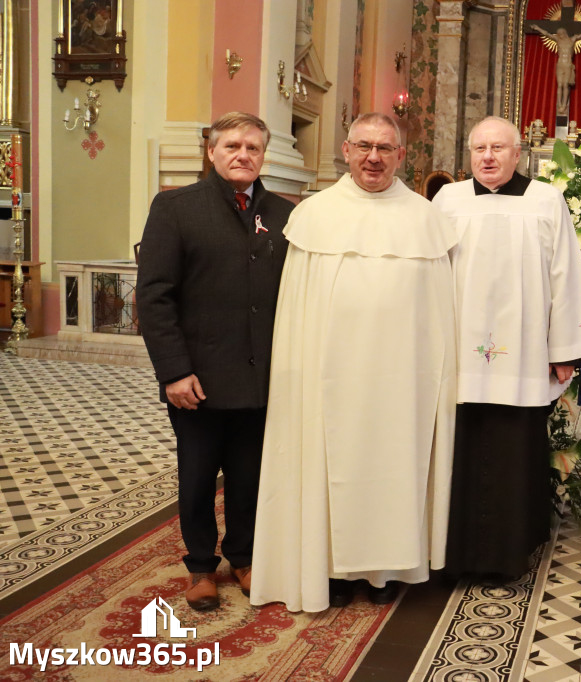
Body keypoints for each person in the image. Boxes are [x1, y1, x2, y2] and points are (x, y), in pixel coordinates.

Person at [249, 113, 457, 612]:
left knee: (395, 464)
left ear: (401, 156)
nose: (374, 157)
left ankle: (385, 569)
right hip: (329, 378)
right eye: (364, 146)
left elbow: (440, 315)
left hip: (402, 382)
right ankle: (330, 570)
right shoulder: (316, 215)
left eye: (385, 148)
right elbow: (296, 312)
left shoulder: (426, 219)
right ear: (346, 149)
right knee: (325, 461)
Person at [432, 116, 581, 580]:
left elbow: (566, 275)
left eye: (497, 148)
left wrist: (565, 347)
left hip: (524, 354)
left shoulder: (545, 201)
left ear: (518, 151)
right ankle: (452, 553)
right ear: (469, 154)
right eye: (479, 149)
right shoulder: (447, 201)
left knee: (513, 450)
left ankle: (509, 553)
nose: (487, 157)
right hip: (456, 356)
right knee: (458, 449)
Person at [136, 112, 294, 612]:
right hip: (197, 378)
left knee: (250, 475)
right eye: (232, 146)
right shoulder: (175, 207)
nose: (242, 155)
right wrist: (173, 372)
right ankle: (201, 567)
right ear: (211, 151)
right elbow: (155, 296)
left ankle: (243, 557)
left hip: (260, 378)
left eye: (252, 147)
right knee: (198, 476)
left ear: (263, 155)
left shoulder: (285, 213)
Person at [530, 24, 581, 115]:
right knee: (559, 85)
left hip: (568, 64)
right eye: (558, 34)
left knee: (565, 85)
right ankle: (559, 104)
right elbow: (547, 34)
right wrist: (538, 28)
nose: (559, 35)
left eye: (560, 33)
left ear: (564, 33)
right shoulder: (558, 40)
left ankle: (564, 105)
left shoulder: (572, 39)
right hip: (560, 64)